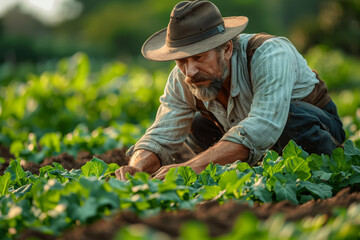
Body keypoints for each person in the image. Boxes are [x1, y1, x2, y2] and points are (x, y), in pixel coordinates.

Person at [115, 0, 345, 181]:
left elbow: (265, 125)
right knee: (196, 124)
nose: (189, 72)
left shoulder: (270, 54)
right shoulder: (182, 77)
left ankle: (323, 165)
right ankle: (248, 168)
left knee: (289, 117)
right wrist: (136, 167)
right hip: (253, 138)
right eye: (181, 61)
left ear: (226, 48)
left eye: (199, 57)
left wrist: (191, 166)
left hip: (317, 129)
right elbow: (161, 134)